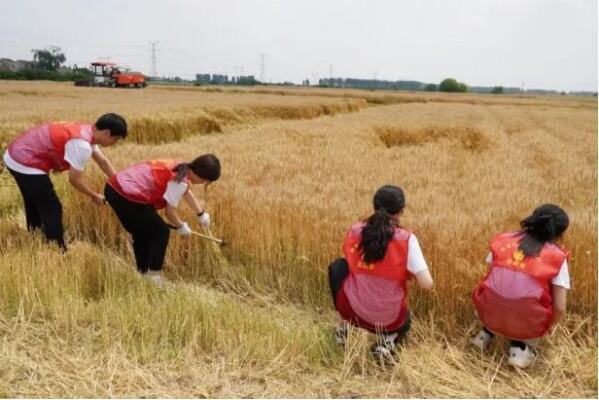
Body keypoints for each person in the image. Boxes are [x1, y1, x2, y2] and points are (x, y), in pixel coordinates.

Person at [328, 185, 434, 361]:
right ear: (400, 212)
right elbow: (427, 284)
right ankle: (387, 342)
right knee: (405, 320)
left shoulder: (355, 230)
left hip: (352, 312)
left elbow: (352, 259)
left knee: (339, 266)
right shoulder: (407, 240)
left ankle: (343, 328)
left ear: (374, 206)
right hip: (389, 320)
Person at [3, 114, 127, 250]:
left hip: (15, 153)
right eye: (115, 139)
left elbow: (102, 161)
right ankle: (57, 249)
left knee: (35, 200)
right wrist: (94, 196)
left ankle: (35, 236)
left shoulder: (87, 131)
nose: (114, 143)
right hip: (24, 161)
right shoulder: (82, 145)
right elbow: (74, 180)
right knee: (52, 207)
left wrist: (119, 184)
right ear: (106, 133)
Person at [471, 204, 570, 369]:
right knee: (535, 299)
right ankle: (521, 349)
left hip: (487, 311)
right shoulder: (556, 257)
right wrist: (546, 326)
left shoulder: (502, 240)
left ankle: (485, 335)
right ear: (559, 234)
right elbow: (560, 307)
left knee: (501, 290)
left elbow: (492, 279)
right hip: (526, 320)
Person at [104, 155, 221, 285]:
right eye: (206, 181)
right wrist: (181, 226)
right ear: (203, 176)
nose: (204, 184)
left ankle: (143, 274)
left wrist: (201, 214)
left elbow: (185, 191)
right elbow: (169, 212)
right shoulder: (180, 180)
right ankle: (154, 277)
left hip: (114, 187)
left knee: (143, 232)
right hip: (126, 194)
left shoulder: (182, 167)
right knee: (161, 231)